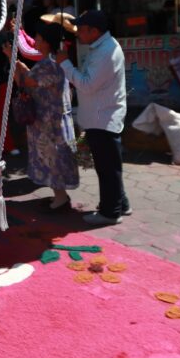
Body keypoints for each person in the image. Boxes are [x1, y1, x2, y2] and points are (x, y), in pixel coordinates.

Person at [56, 11, 129, 223]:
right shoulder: (102, 47)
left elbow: (87, 84)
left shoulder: (105, 51)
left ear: (94, 31)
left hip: (103, 118)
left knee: (107, 169)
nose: (78, 32)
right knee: (109, 167)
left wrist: (65, 64)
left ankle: (110, 212)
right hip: (101, 115)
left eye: (82, 29)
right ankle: (120, 203)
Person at [13, 24, 79, 209]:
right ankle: (60, 196)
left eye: (39, 38)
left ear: (47, 42)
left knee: (52, 159)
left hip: (49, 123)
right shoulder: (53, 62)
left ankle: (60, 199)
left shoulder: (49, 65)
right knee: (53, 158)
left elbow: (26, 83)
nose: (36, 41)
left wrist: (15, 64)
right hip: (54, 120)